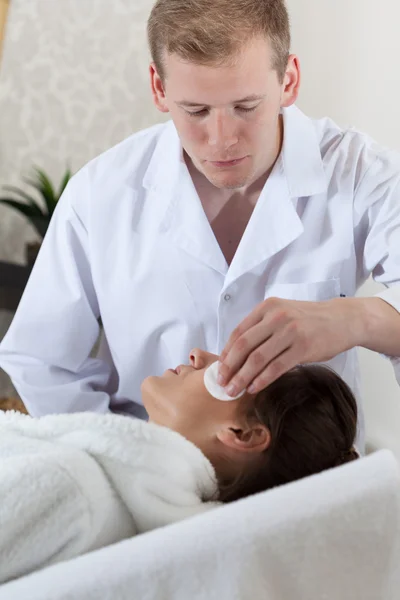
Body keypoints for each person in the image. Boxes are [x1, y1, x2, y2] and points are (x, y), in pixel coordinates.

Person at [1, 0, 400, 453]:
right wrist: (137, 463)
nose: (223, 138)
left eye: (246, 106)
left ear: (288, 80)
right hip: (146, 474)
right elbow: (40, 359)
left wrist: (357, 318)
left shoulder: (360, 173)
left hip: (309, 486)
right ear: (158, 88)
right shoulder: (100, 194)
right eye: (196, 111)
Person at [0, 349, 358, 583]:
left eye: (239, 367)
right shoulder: (103, 491)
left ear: (243, 434)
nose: (200, 354)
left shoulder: (71, 490)